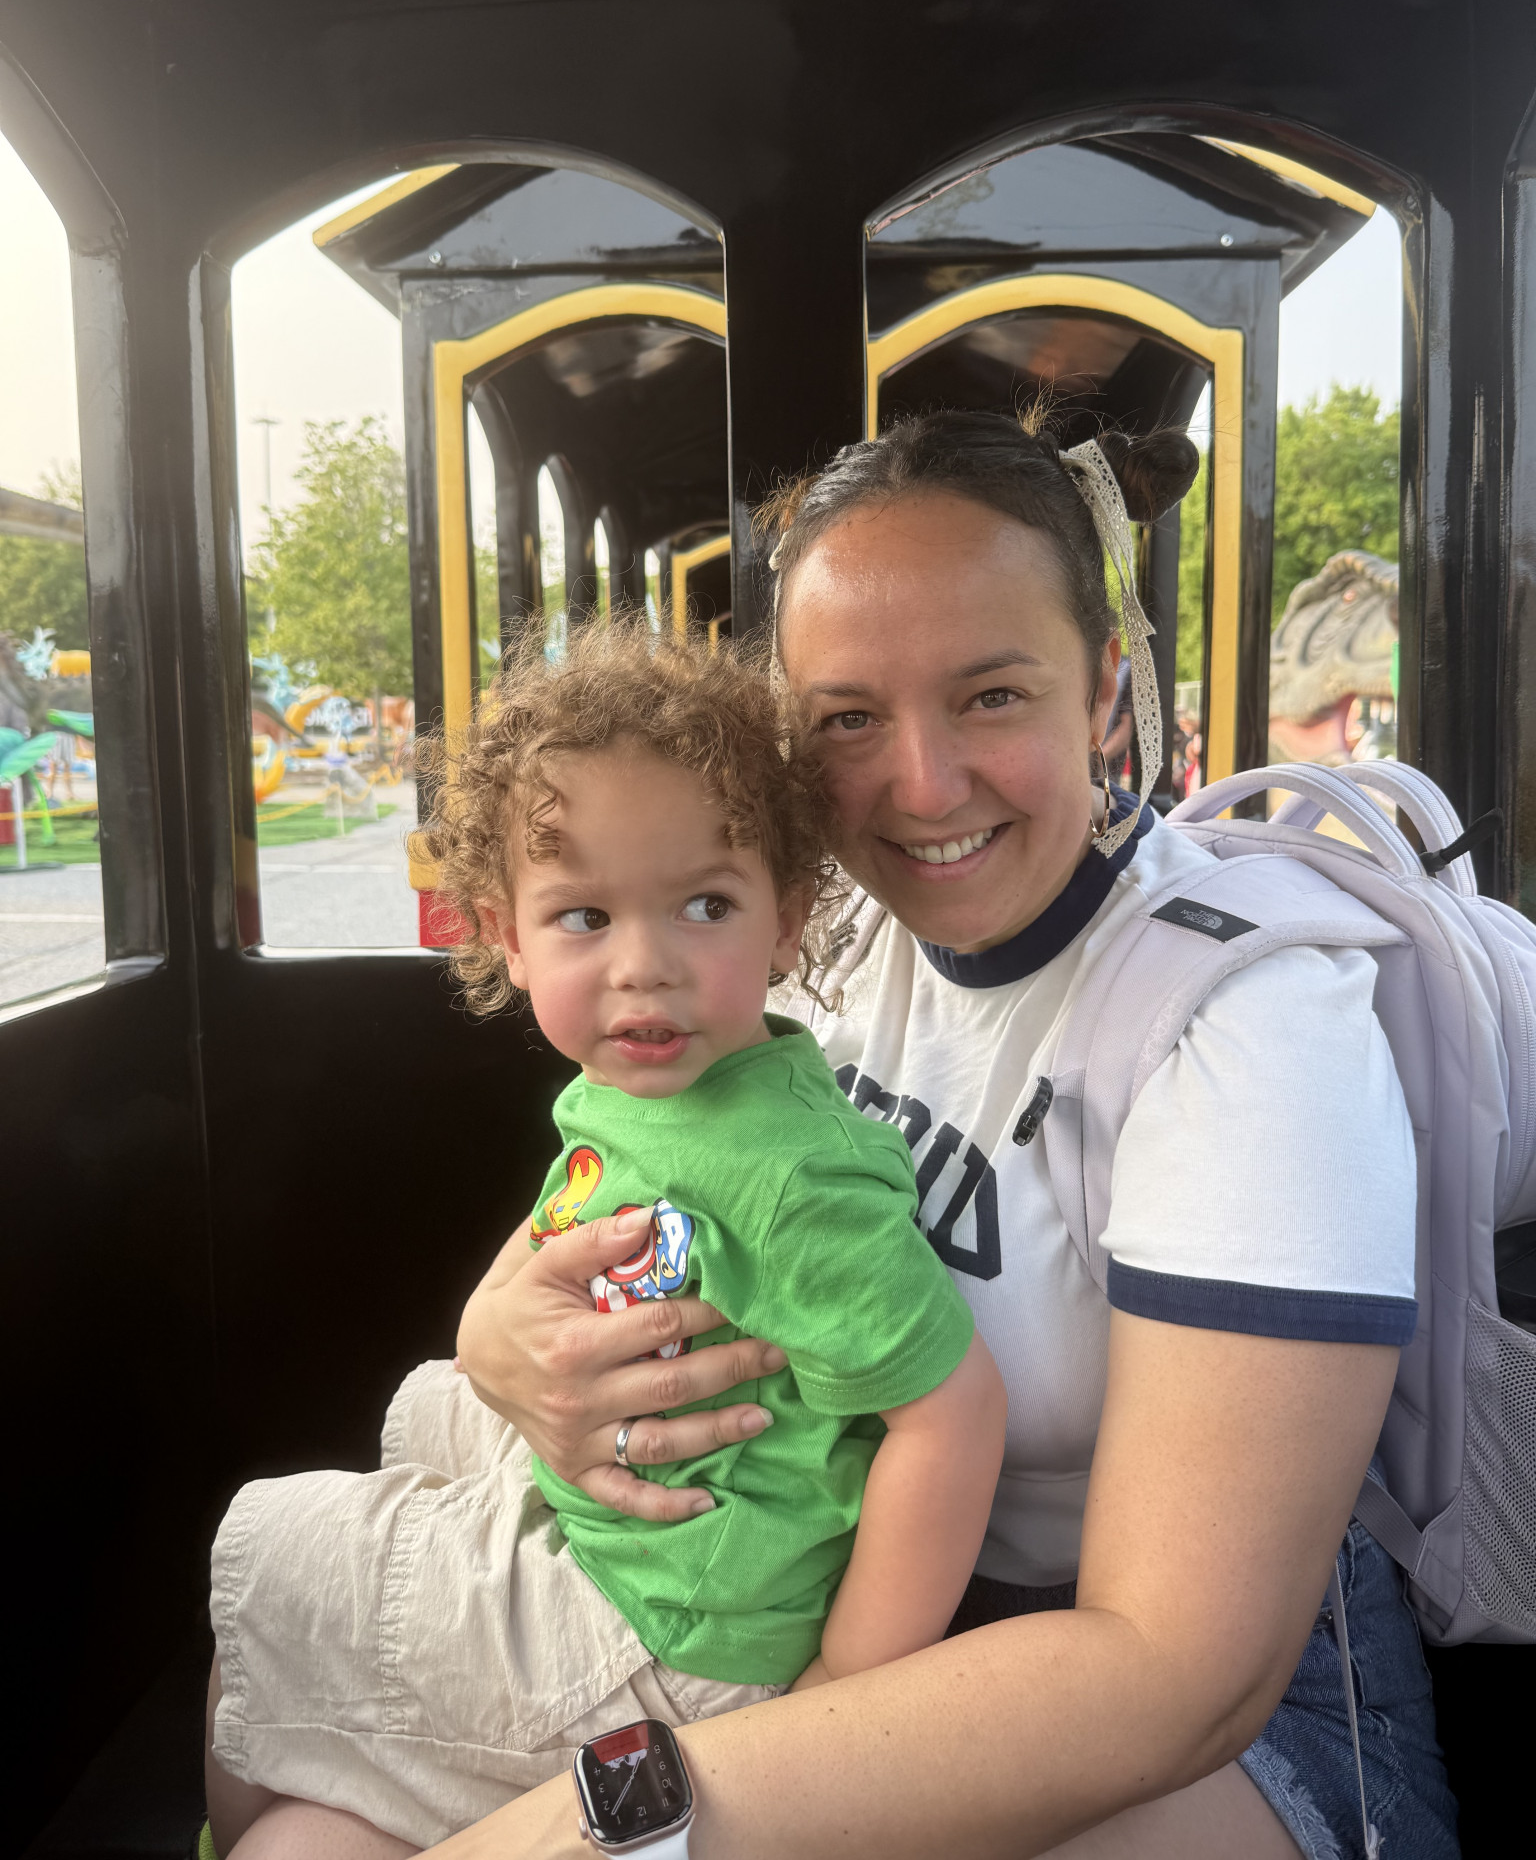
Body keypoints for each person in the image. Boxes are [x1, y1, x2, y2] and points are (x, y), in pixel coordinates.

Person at [427, 410, 1457, 1860]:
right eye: (850, 718)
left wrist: (620, 1817)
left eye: (990, 695)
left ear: (1104, 691)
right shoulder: (825, 942)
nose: (921, 783)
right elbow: (635, 1171)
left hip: (1225, 1721)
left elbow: (1178, 1672)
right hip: (846, 1599)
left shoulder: (1247, 1024)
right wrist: (495, 1339)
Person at [204, 620, 1004, 1859]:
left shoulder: (790, 1174)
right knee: (424, 1416)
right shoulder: (646, 1084)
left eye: (705, 904)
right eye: (584, 914)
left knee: (266, 1583)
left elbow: (951, 1416)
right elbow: (552, 1230)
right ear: (507, 936)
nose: (645, 967)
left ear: (787, 920)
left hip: (679, 1627)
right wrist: (490, 1330)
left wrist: (839, 1703)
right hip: (632, 1528)